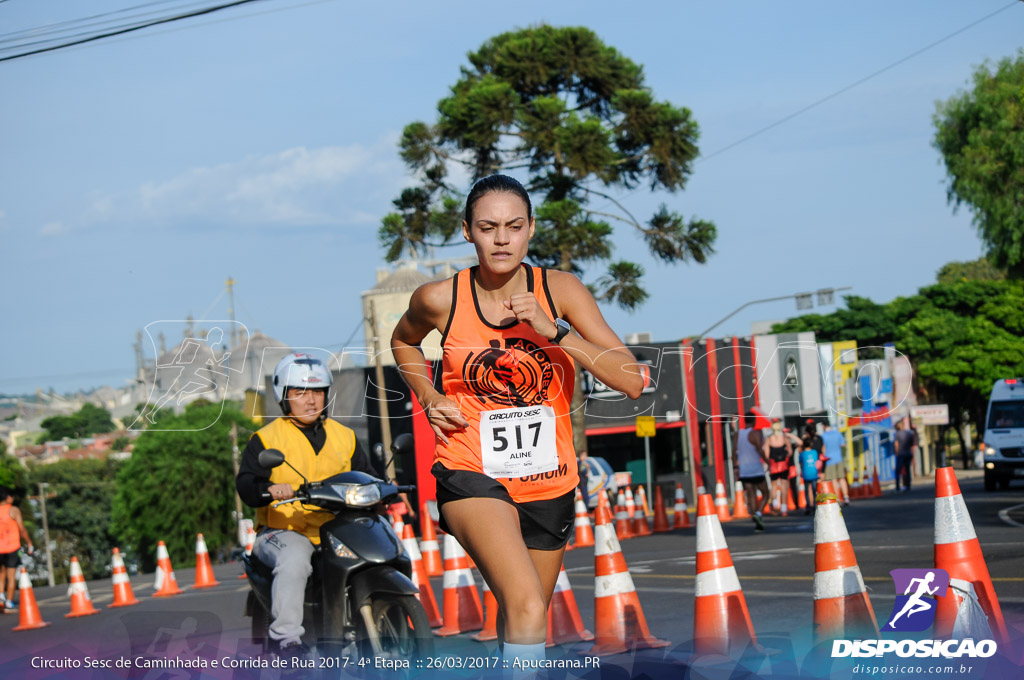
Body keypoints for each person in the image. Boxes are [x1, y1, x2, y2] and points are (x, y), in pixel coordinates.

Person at [391, 174, 646, 667]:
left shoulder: (562, 291)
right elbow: (404, 341)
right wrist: (426, 391)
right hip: (471, 468)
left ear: (531, 229)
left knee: (522, 620)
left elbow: (632, 379)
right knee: (527, 602)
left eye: (513, 226)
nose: (502, 238)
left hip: (548, 479)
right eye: (488, 227)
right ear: (468, 231)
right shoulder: (439, 298)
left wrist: (555, 332)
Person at [236, 352, 377, 663]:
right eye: (300, 392)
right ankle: (286, 640)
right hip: (283, 530)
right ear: (284, 397)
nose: (311, 400)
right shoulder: (265, 439)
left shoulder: (346, 437)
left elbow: (368, 476)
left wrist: (386, 489)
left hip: (336, 527)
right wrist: (268, 489)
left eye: (317, 391)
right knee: (295, 560)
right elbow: (246, 484)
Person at [732, 413, 769, 531]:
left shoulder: (738, 434)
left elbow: (733, 452)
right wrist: (768, 461)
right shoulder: (756, 433)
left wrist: (735, 468)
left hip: (744, 469)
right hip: (756, 468)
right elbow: (759, 449)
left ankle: (756, 521)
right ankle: (758, 514)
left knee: (751, 494)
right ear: (754, 421)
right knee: (765, 493)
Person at [0, 485, 33, 613]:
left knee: (1, 574)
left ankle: (0, 596)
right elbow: (22, 529)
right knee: (11, 575)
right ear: (8, 498)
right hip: (12, 547)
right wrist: (29, 542)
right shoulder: (13, 510)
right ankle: (8, 601)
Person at [763, 420, 793, 514]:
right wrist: (785, 456)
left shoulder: (769, 439)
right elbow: (790, 452)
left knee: (774, 486)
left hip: (773, 465)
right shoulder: (784, 438)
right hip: (783, 464)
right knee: (784, 486)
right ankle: (784, 508)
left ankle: (775, 505)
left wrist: (768, 464)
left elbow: (766, 455)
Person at [820, 423, 851, 505]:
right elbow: (843, 445)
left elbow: (823, 449)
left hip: (829, 460)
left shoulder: (823, 436)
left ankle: (837, 498)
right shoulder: (837, 433)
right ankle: (846, 497)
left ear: (823, 426)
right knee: (841, 478)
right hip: (839, 458)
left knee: (833, 479)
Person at [798, 436, 825, 515]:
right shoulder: (814, 452)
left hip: (806, 474)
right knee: (814, 490)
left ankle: (808, 506)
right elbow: (817, 462)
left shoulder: (802, 454)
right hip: (814, 473)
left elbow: (801, 463)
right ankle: (815, 505)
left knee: (806, 491)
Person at [893, 419, 918, 493]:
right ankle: (908, 485)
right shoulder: (909, 433)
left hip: (901, 454)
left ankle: (897, 486)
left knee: (898, 470)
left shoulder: (897, 434)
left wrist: (897, 453)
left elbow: (896, 445)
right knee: (907, 470)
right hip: (908, 453)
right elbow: (912, 444)